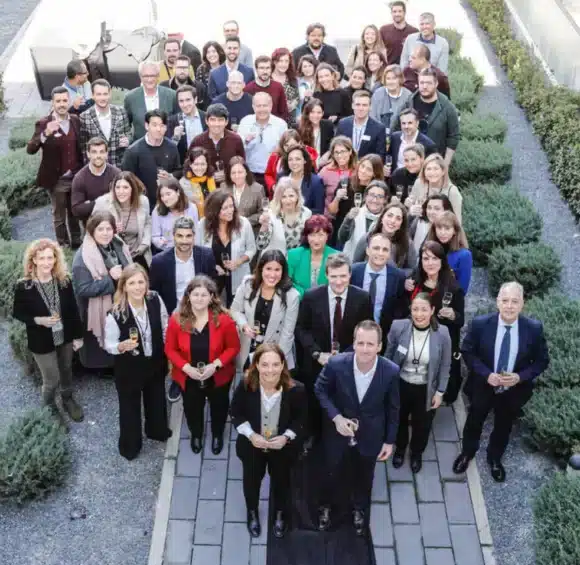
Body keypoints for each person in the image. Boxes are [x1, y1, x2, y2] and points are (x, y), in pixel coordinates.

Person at [454, 282, 549, 482]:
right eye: (505, 300)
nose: (509, 306)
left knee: (504, 425)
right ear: (497, 302)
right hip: (483, 386)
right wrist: (486, 374)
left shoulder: (533, 329)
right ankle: (467, 453)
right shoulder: (480, 324)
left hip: (513, 391)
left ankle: (495, 458)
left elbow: (542, 361)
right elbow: (467, 351)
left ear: (522, 303)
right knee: (474, 421)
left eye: (515, 301)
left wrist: (520, 377)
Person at [315, 320, 399, 534]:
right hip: (337, 433)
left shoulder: (390, 371)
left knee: (365, 475)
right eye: (360, 343)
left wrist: (389, 441)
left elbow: (393, 408)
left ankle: (359, 509)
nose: (365, 349)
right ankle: (325, 506)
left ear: (379, 346)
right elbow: (320, 389)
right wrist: (336, 417)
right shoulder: (336, 364)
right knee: (331, 470)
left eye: (370, 344)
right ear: (353, 343)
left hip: (370, 434)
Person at [230, 343, 307, 538]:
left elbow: (301, 419)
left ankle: (280, 512)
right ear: (256, 365)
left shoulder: (296, 390)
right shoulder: (246, 385)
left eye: (275, 364)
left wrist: (286, 437)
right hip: (252, 448)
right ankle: (252, 511)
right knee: (251, 482)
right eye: (264, 364)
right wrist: (250, 435)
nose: (270, 370)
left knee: (282, 481)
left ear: (282, 365)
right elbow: (235, 412)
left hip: (282, 450)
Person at [296, 254, 373, 443]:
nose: (339, 282)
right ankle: (314, 437)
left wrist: (345, 356)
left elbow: (366, 330)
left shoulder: (362, 298)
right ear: (327, 275)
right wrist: (317, 353)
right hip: (317, 362)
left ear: (350, 275)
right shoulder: (312, 296)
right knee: (315, 400)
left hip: (348, 361)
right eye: (334, 276)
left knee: (343, 400)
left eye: (343, 276)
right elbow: (301, 329)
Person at [165, 275, 240, 454]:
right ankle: (196, 434)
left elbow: (233, 347)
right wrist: (186, 368)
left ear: (212, 297)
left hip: (218, 375)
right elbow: (170, 349)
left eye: (204, 295)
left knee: (219, 406)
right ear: (188, 296)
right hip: (188, 376)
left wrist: (215, 365)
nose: (199, 299)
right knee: (192, 407)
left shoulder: (224, 320)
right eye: (195, 294)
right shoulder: (176, 320)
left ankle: (217, 434)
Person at [13, 239, 84, 426]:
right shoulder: (24, 286)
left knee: (66, 369)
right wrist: (38, 320)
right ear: (34, 260)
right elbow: (18, 313)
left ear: (56, 259)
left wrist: (78, 336)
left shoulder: (64, 281)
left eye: (50, 258)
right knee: (51, 379)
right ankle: (50, 406)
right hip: (41, 340)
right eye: (42, 258)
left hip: (64, 336)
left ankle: (67, 398)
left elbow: (73, 309)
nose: (47, 262)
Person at [104, 264, 172, 460]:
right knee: (129, 407)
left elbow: (165, 325)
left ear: (147, 283)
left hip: (155, 362)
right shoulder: (116, 313)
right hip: (129, 368)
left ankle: (156, 431)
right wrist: (120, 346)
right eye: (132, 283)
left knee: (156, 398)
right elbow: (109, 344)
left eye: (141, 282)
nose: (137, 287)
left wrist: (168, 352)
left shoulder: (155, 299)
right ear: (124, 286)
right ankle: (130, 446)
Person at [386, 293, 451, 472]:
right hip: (401, 384)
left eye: (424, 309)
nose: (419, 314)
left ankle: (416, 453)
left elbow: (446, 365)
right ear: (410, 310)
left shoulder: (442, 333)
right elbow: (388, 356)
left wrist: (440, 392)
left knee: (422, 424)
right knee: (398, 419)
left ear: (432, 310)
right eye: (415, 309)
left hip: (426, 387)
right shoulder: (398, 327)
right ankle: (400, 449)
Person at [72, 212, 132, 376]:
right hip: (97, 307)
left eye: (109, 229)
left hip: (119, 300)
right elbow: (82, 289)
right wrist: (110, 279)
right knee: (101, 342)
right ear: (92, 231)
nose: (105, 233)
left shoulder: (117, 243)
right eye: (100, 229)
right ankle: (103, 368)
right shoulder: (82, 258)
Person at [406, 241, 464, 406]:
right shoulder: (414, 280)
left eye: (434, 258)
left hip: (437, 340)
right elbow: (404, 306)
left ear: (442, 261)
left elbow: (461, 320)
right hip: (415, 336)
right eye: (426, 258)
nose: (430, 263)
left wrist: (453, 315)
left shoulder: (452, 287)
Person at [27, 86, 83, 248]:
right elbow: (30, 149)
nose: (62, 104)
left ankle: (77, 242)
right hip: (56, 178)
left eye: (65, 100)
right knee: (59, 215)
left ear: (69, 101)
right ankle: (63, 245)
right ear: (52, 102)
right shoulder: (43, 123)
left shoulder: (75, 120)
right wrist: (45, 134)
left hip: (75, 176)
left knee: (74, 211)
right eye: (58, 101)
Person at [231, 251, 300, 370]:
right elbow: (235, 310)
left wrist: (276, 361)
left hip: (275, 352)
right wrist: (244, 325)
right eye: (268, 269)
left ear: (283, 271)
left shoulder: (292, 296)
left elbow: (287, 333)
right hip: (248, 349)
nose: (272, 275)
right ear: (261, 268)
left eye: (277, 270)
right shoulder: (247, 285)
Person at [195, 189, 256, 306]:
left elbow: (252, 249)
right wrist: (213, 266)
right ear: (214, 210)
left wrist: (238, 262)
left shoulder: (244, 223)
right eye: (225, 208)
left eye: (231, 206)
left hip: (238, 275)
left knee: (235, 309)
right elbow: (198, 251)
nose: (230, 211)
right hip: (211, 277)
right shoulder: (202, 225)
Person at [351, 232, 408, 341]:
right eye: (376, 248)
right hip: (354, 335)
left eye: (385, 250)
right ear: (367, 250)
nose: (380, 253)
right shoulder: (354, 271)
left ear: (389, 254)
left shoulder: (398, 277)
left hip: (384, 336)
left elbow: (400, 308)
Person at [396, 68, 460, 164]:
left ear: (436, 84)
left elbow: (453, 137)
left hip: (433, 163)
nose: (425, 86)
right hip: (409, 162)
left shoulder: (447, 107)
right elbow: (396, 126)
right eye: (422, 83)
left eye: (429, 83)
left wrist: (445, 164)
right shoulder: (409, 102)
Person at [120, 110, 181, 209]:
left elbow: (179, 170)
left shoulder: (172, 147)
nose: (158, 129)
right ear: (147, 126)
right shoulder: (133, 151)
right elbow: (126, 178)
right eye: (154, 125)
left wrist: (170, 176)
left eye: (162, 125)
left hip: (168, 202)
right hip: (141, 203)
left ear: (166, 127)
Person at [92, 172, 152, 269]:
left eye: (125, 187)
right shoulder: (103, 203)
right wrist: (111, 229)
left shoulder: (143, 201)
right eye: (117, 187)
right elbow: (92, 229)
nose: (121, 191)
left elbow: (147, 223)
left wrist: (145, 244)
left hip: (138, 253)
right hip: (113, 255)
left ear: (133, 188)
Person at [237, 92, 288, 186]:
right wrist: (246, 141)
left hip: (273, 174)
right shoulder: (245, 122)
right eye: (258, 106)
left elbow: (286, 150)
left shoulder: (281, 124)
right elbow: (238, 148)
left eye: (265, 106)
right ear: (253, 107)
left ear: (271, 106)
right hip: (250, 173)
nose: (262, 109)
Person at [352, 202, 418, 274]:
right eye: (389, 216)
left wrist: (396, 275)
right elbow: (355, 264)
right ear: (382, 218)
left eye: (398, 218)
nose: (393, 221)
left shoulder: (407, 243)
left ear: (401, 224)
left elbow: (412, 269)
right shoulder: (367, 238)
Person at [79, 79, 131, 167]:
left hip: (119, 165)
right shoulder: (84, 117)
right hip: (97, 167)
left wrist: (128, 140)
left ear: (110, 94)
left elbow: (128, 133)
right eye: (99, 94)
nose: (102, 98)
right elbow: (84, 147)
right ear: (93, 95)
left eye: (105, 94)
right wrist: (89, 167)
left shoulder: (121, 111)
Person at [190, 103, 245, 186]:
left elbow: (242, 165)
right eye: (213, 120)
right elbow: (189, 166)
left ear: (226, 122)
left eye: (220, 120)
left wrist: (227, 174)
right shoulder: (197, 141)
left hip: (231, 186)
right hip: (204, 187)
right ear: (206, 121)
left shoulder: (236, 140)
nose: (216, 124)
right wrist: (210, 175)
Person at [256, 177, 313, 256]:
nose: (288, 200)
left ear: (297, 196)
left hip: (297, 259)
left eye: (291, 196)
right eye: (283, 196)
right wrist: (264, 226)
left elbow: (309, 242)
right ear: (279, 198)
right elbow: (261, 245)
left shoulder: (306, 213)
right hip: (275, 260)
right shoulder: (271, 214)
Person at [71, 137, 121, 224]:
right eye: (94, 152)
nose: (98, 156)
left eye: (102, 152)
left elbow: (125, 200)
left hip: (115, 221)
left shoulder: (116, 174)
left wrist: (89, 205)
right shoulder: (79, 178)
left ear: (106, 154)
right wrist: (102, 201)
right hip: (92, 224)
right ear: (88, 154)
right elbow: (77, 210)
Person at [331, 158, 385, 237]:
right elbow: (332, 211)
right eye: (362, 166)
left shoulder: (376, 191)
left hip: (363, 233)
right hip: (342, 230)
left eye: (369, 169)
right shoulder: (346, 183)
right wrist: (337, 198)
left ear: (374, 173)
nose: (363, 171)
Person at [287, 214, 337, 298]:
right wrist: (305, 295)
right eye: (312, 235)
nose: (316, 240)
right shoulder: (294, 254)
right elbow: (287, 281)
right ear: (307, 236)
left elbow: (338, 283)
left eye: (321, 235)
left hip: (326, 301)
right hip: (299, 300)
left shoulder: (336, 256)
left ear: (327, 236)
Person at [123, 62, 177, 140]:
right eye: (146, 76)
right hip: (140, 145)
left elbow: (178, 121)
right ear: (140, 77)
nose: (149, 79)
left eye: (152, 75)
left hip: (167, 144)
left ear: (158, 76)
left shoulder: (172, 95)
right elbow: (125, 126)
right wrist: (129, 140)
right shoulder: (130, 98)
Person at [337, 180, 389, 258]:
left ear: (385, 199)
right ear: (366, 196)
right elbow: (342, 238)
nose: (375, 200)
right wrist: (348, 219)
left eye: (380, 196)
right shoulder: (355, 214)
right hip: (351, 261)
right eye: (372, 195)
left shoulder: (387, 219)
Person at [427, 211, 472, 294]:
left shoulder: (464, 255)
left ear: (455, 230)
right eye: (439, 228)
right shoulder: (429, 248)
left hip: (448, 299)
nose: (442, 232)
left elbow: (462, 289)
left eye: (447, 229)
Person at [409, 153, 462, 223]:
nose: (432, 172)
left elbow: (457, 221)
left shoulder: (452, 191)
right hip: (421, 225)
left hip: (442, 227)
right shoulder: (419, 183)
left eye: (436, 169)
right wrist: (411, 209)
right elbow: (410, 204)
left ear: (443, 171)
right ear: (424, 172)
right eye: (428, 169)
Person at [151, 177, 199, 252]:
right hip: (167, 251)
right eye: (162, 195)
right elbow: (155, 237)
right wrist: (163, 243)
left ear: (178, 192)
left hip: (190, 250)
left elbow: (196, 232)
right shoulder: (157, 211)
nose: (165, 199)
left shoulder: (192, 207)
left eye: (168, 194)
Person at [264, 130, 318, 196]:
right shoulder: (275, 156)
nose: (289, 148)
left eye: (292, 145)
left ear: (299, 143)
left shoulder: (307, 158)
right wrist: (273, 185)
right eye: (286, 145)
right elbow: (268, 174)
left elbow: (313, 177)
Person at [336, 90, 386, 160]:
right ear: (352, 105)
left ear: (370, 107)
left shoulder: (379, 128)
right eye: (358, 104)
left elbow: (380, 156)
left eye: (364, 105)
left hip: (367, 165)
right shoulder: (343, 124)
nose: (361, 108)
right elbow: (336, 147)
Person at [223, 156, 266, 236]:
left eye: (240, 172)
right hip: (229, 232)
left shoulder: (258, 189)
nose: (237, 176)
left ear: (246, 172)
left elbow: (263, 212)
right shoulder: (224, 188)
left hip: (251, 231)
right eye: (233, 173)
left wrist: (245, 222)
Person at [318, 136, 357, 218]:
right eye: (336, 152)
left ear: (350, 151)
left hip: (352, 217)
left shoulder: (358, 170)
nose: (339, 155)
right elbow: (317, 195)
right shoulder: (326, 171)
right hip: (330, 217)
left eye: (343, 151)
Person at [166, 85, 207, 163]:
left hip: (205, 164)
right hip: (183, 165)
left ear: (195, 100)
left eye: (188, 100)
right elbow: (168, 152)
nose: (185, 104)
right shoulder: (172, 121)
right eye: (181, 101)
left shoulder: (207, 118)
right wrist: (175, 137)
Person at [281, 145, 325, 214]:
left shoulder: (316, 182)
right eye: (290, 159)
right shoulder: (281, 177)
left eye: (298, 159)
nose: (294, 163)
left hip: (305, 220)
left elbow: (319, 210)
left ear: (304, 160)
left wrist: (298, 213)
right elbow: (276, 202)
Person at [244, 55, 289, 123]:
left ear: (271, 69)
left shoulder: (278, 87)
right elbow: (247, 114)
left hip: (275, 126)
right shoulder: (248, 89)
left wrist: (278, 125)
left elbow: (284, 111)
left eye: (267, 68)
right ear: (256, 70)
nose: (265, 71)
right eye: (261, 68)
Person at [370, 64, 412, 130]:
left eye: (394, 78)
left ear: (400, 79)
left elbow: (410, 118)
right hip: (378, 131)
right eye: (388, 79)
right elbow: (372, 116)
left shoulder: (408, 95)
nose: (391, 82)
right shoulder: (378, 93)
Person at [179, 146, 217, 216]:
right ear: (190, 164)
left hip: (213, 216)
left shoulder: (211, 178)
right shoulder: (184, 183)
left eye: (203, 164)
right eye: (196, 164)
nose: (200, 168)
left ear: (207, 164)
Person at [380, 1, 419, 65]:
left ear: (404, 13)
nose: (397, 14)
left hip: (408, 68)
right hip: (389, 68)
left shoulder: (414, 31)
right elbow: (379, 50)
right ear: (391, 13)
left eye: (400, 11)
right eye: (394, 11)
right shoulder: (383, 30)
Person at [298, 98, 335, 164]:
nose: (316, 115)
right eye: (312, 112)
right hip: (306, 164)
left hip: (323, 163)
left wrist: (327, 154)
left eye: (319, 112)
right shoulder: (299, 127)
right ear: (308, 113)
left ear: (323, 113)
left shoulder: (328, 125)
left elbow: (333, 143)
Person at [271, 48, 300, 125]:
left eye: (286, 61)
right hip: (272, 121)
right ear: (274, 62)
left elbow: (297, 98)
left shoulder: (293, 79)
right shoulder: (268, 79)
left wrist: (292, 105)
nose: (284, 64)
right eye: (280, 61)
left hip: (291, 121)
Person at [195, 41, 226, 106]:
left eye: (214, 51)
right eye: (208, 52)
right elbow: (199, 89)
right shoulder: (201, 69)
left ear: (219, 52)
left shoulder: (226, 67)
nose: (211, 54)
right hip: (207, 104)